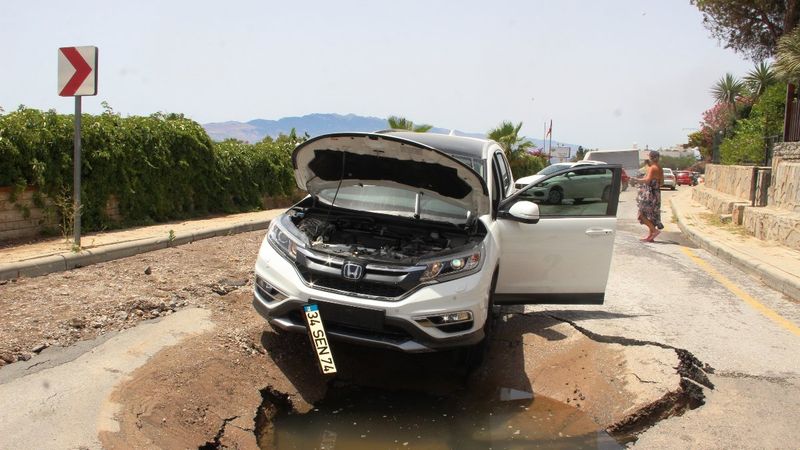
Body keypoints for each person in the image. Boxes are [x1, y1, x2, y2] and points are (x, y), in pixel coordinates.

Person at [634, 151, 664, 242]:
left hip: (650, 195)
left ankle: (654, 231)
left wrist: (636, 180)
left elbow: (647, 180)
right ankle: (650, 236)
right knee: (651, 215)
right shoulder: (659, 168)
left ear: (650, 157)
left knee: (641, 214)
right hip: (656, 194)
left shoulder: (652, 168)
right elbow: (662, 183)